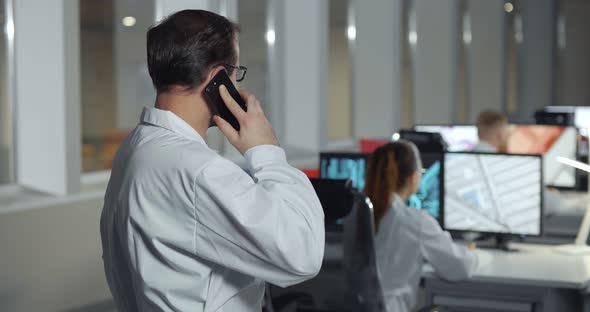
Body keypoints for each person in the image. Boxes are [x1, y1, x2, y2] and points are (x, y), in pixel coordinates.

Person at [99, 10, 325, 312]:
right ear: (219, 78)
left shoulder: (135, 149)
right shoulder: (197, 170)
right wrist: (267, 151)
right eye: (236, 72)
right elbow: (302, 255)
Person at [364, 140, 478, 312]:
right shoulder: (414, 221)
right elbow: (458, 268)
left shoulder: (355, 214)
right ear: (413, 178)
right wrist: (471, 253)